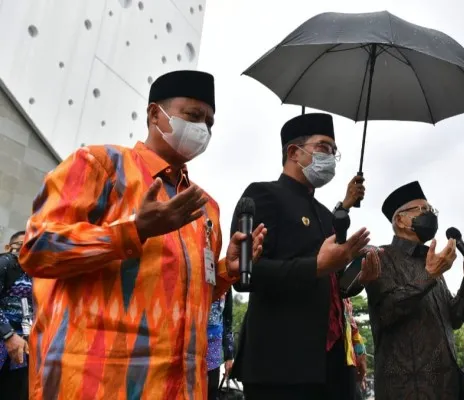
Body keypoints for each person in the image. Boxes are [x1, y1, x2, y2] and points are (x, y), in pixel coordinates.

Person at [18, 70, 266, 399]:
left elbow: (187, 298)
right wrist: (134, 230)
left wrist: (223, 273)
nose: (202, 129)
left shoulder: (206, 209)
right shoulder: (99, 165)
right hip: (96, 383)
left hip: (181, 387)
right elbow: (36, 250)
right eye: (193, 116)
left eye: (209, 122)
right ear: (154, 115)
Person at [230, 113, 381, 400]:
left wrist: (360, 278)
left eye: (334, 151)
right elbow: (245, 276)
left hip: (332, 365)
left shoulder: (325, 214)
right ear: (294, 152)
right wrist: (315, 266)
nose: (331, 157)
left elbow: (333, 283)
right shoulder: (262, 196)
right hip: (280, 366)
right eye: (324, 147)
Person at [365, 181, 464, 400]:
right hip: (407, 389)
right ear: (400, 220)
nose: (430, 215)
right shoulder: (380, 256)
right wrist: (429, 276)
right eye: (423, 210)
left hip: (448, 386)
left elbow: (454, 318)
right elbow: (387, 312)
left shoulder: (431, 263)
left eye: (432, 210)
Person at [0, 231, 31, 400]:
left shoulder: (36, 271)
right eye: (21, 245)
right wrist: (8, 334)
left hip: (23, 346)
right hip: (5, 338)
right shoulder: (5, 263)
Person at [207, 289, 234, 400]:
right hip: (190, 345)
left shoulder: (226, 280)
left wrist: (229, 356)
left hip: (213, 351)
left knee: (211, 389)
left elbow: (227, 320)